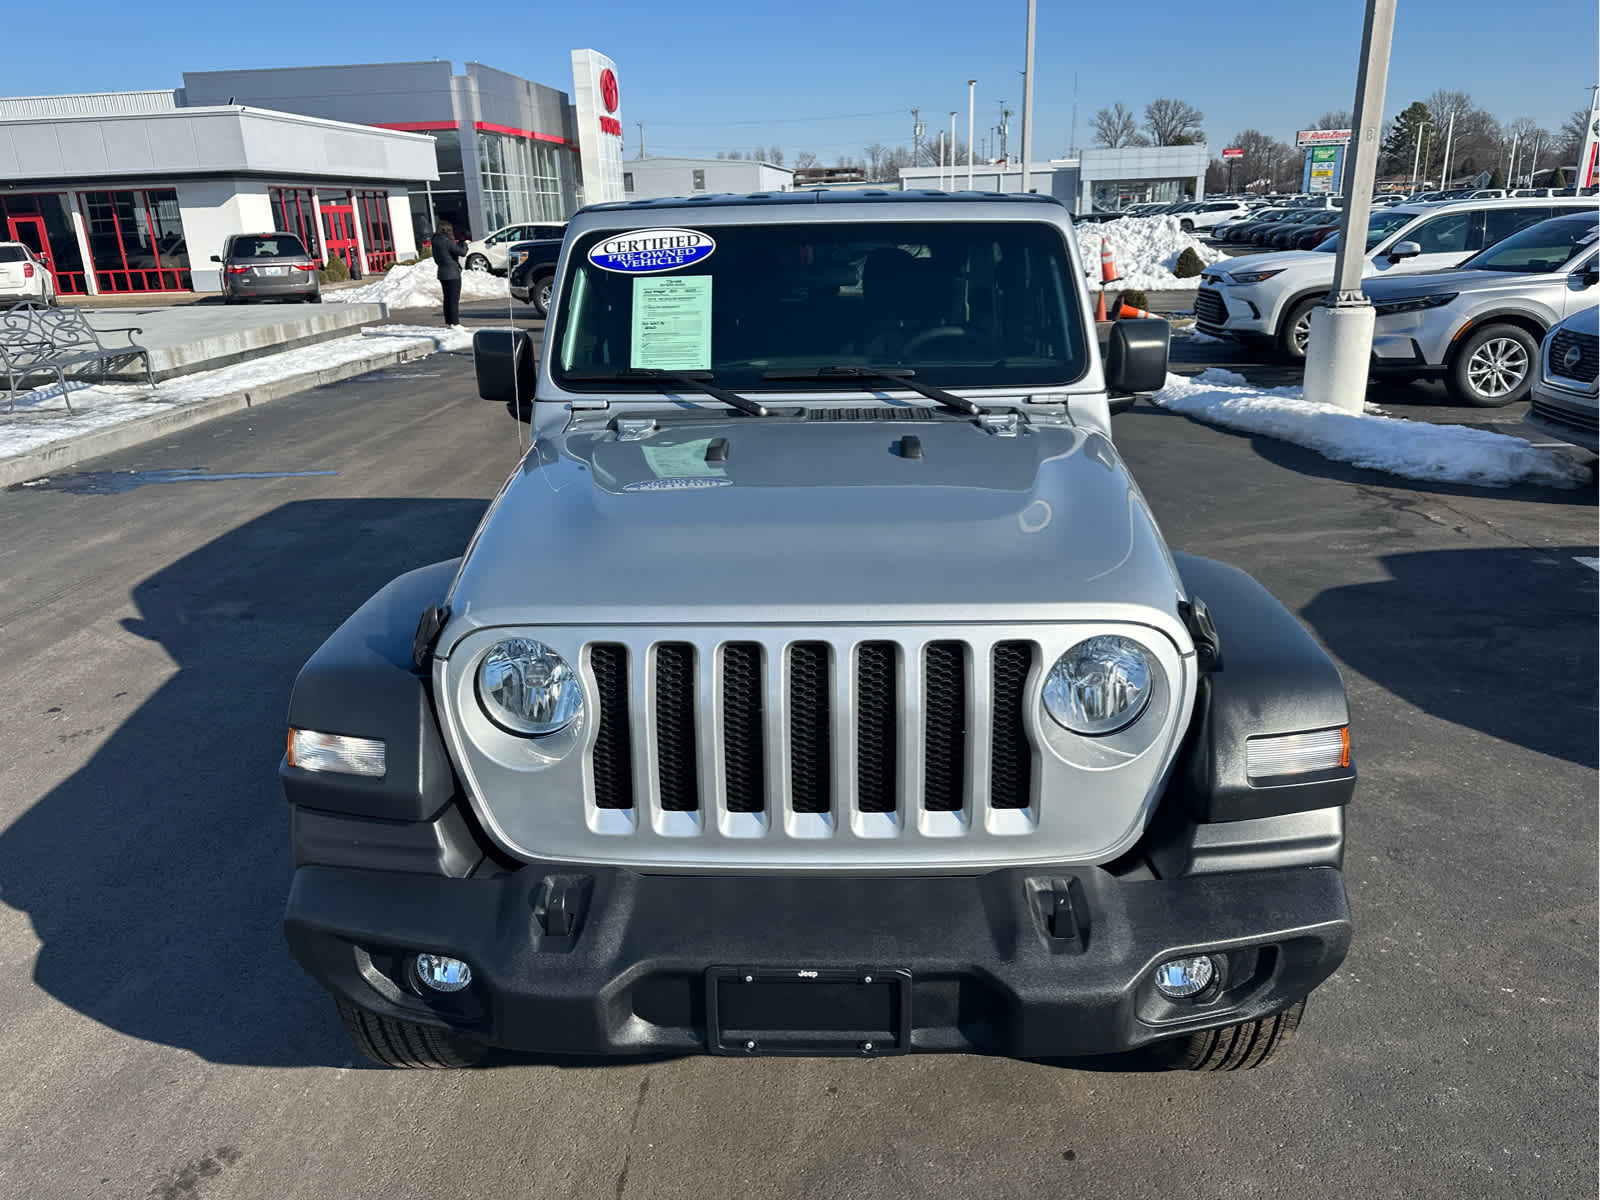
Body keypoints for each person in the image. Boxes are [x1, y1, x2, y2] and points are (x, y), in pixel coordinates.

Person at [431, 219, 468, 327]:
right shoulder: (447, 241)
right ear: (447, 230)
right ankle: (455, 323)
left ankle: (449, 322)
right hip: (452, 273)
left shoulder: (435, 241)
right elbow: (462, 252)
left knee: (447, 299)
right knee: (453, 299)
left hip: (442, 272)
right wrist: (463, 243)